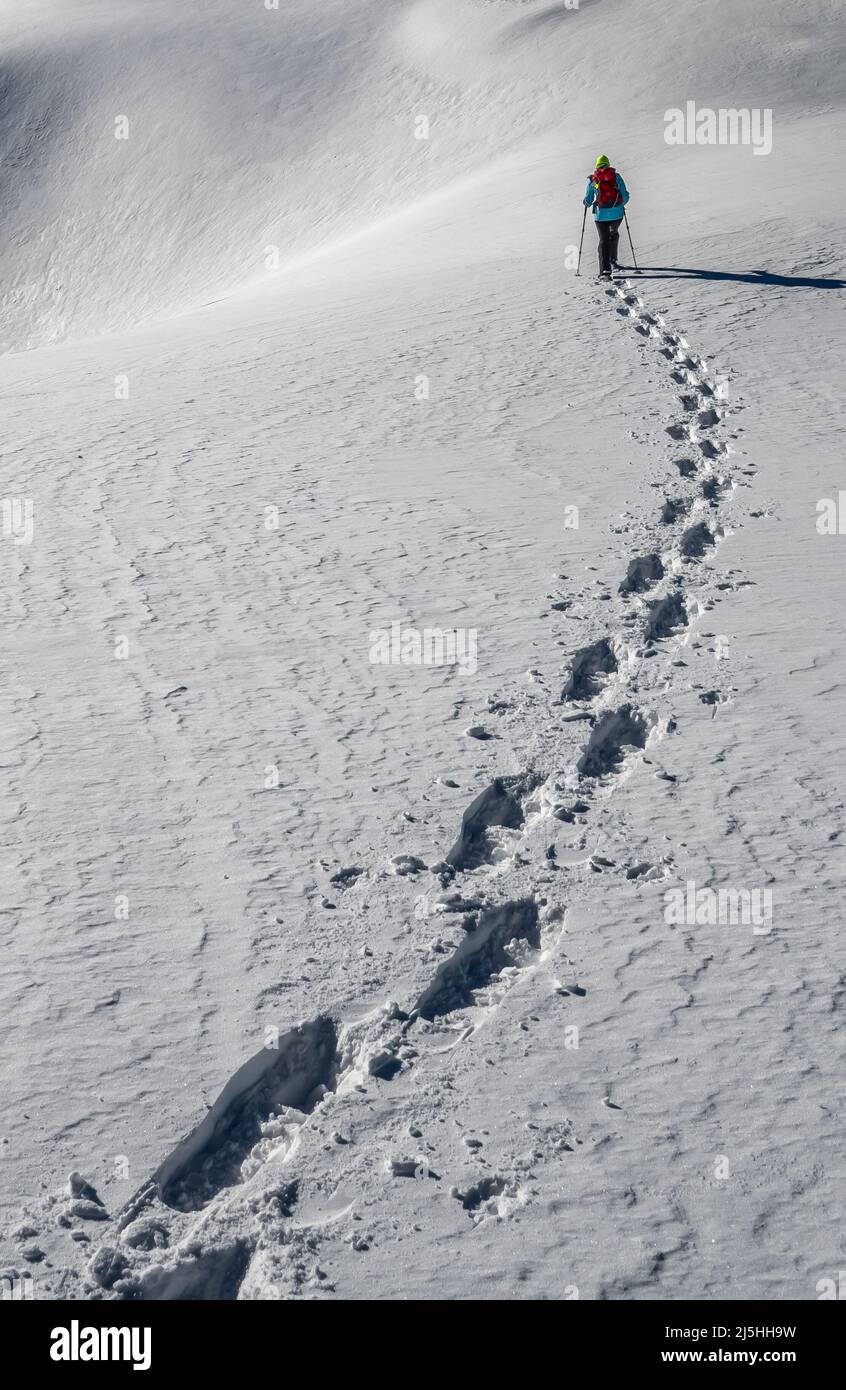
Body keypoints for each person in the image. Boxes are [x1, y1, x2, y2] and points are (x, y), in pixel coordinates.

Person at [583, 154, 629, 278]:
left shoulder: (593, 179)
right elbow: (625, 196)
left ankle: (605, 270)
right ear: (608, 164)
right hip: (617, 214)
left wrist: (586, 203)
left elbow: (587, 200)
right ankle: (613, 260)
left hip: (601, 215)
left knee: (604, 239)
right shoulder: (616, 177)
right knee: (613, 233)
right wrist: (619, 205)